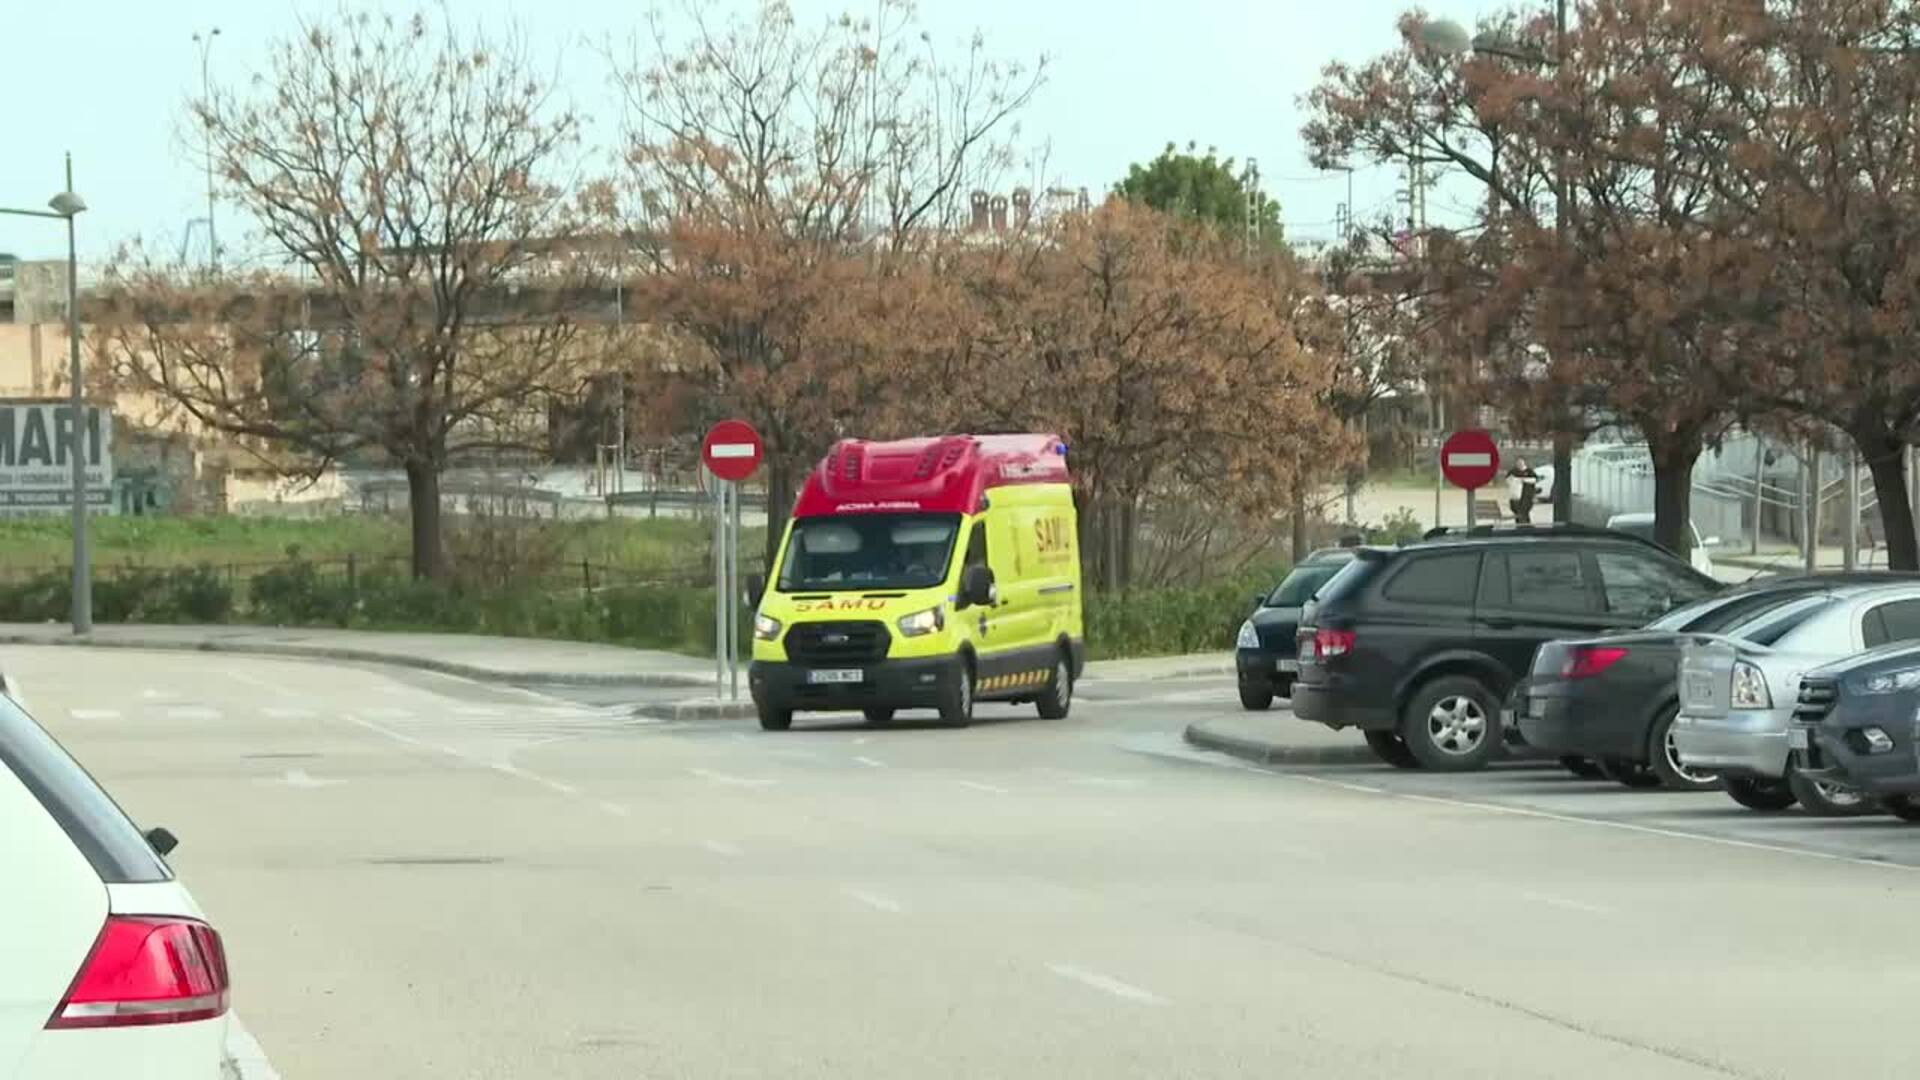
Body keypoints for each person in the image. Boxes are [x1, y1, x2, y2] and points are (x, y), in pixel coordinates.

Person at [1507, 458, 1540, 524]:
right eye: (1518, 463)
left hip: (1527, 496)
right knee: (1517, 512)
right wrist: (1514, 480)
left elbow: (1535, 480)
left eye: (1521, 463)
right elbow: (1508, 480)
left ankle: (1526, 525)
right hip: (1516, 496)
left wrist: (1524, 480)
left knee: (1524, 512)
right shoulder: (1513, 471)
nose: (1519, 464)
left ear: (1524, 463)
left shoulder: (1529, 471)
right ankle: (1519, 525)